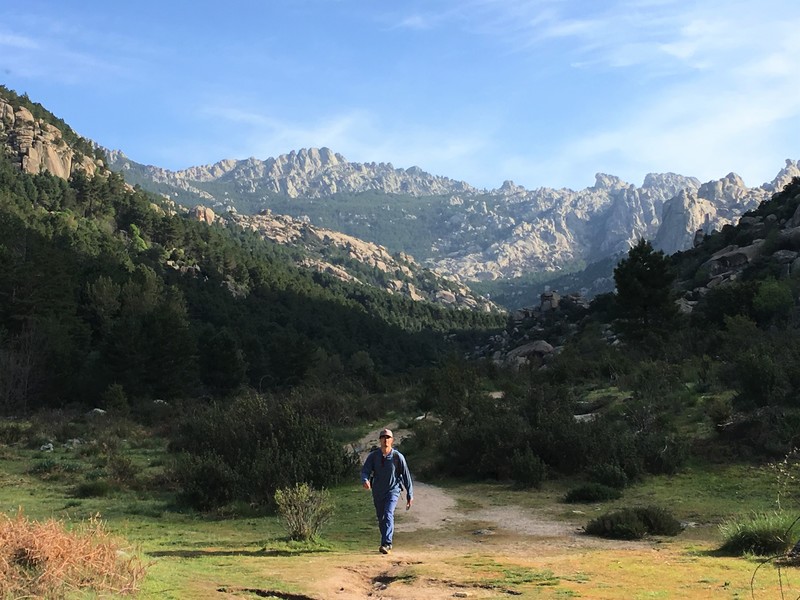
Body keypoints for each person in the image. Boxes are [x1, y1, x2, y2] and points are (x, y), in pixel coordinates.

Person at [360, 428, 413, 554]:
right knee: (381, 517)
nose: (385, 440)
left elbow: (406, 476)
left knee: (388, 514)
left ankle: (386, 543)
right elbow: (365, 470)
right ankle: (385, 541)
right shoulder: (374, 456)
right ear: (380, 440)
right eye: (383, 437)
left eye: (388, 437)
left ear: (392, 440)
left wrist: (410, 494)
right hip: (378, 491)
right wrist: (365, 480)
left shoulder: (397, 457)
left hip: (392, 491)